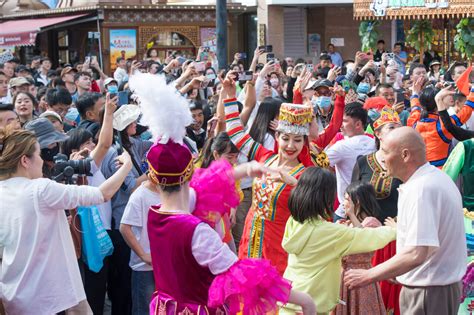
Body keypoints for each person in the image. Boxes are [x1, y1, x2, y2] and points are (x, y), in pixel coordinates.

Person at [0, 128, 133, 314]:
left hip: (13, 294)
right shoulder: (40, 189)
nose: (43, 160)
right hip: (47, 297)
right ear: (25, 160)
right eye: (38, 154)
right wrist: (127, 164)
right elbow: (103, 194)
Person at [344, 127, 467, 315]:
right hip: (433, 289)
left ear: (405, 155)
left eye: (385, 151)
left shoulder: (422, 189)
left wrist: (368, 275)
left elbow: (417, 253)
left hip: (428, 292)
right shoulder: (430, 180)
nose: (381, 158)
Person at [222, 74, 314, 275]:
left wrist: (295, 184)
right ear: (277, 137)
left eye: (297, 140)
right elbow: (236, 133)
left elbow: (315, 215)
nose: (291, 146)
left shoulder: (306, 175)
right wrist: (229, 96)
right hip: (251, 237)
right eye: (286, 138)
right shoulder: (265, 158)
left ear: (303, 142)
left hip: (280, 246)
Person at [281, 167, 396, 315]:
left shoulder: (295, 222)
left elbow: (307, 198)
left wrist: (297, 184)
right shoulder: (329, 232)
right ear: (326, 198)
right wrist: (396, 230)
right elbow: (370, 237)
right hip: (309, 306)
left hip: (291, 301)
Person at [351, 107, 403, 315]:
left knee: (394, 291)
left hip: (394, 236)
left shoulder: (405, 162)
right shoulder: (363, 162)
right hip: (367, 236)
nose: (396, 132)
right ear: (378, 133)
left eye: (399, 128)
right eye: (391, 128)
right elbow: (352, 194)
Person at [335, 181, 388, 315]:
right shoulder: (347, 224)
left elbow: (364, 241)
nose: (344, 202)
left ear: (356, 201)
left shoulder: (371, 223)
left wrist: (352, 215)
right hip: (344, 277)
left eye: (347, 199)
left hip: (362, 278)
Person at [325, 102, 376, 220]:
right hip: (372, 209)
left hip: (346, 211)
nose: (340, 125)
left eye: (344, 121)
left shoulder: (342, 146)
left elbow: (318, 163)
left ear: (358, 124)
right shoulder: (375, 143)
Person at [120, 178, 159, 315]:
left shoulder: (172, 192)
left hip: (166, 267)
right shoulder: (140, 195)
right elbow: (124, 227)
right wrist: (142, 255)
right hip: (144, 269)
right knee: (144, 310)